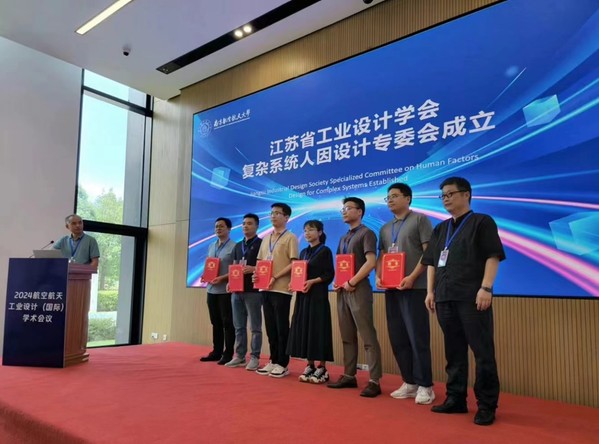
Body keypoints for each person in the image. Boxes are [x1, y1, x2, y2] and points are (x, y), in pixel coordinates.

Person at [422, 177, 505, 426]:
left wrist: (486, 287)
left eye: (450, 194)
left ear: (466, 194)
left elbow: (493, 256)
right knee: (454, 352)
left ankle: (486, 405)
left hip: (472, 297)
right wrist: (430, 292)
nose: (446, 199)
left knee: (482, 352)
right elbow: (432, 262)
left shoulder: (482, 222)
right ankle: (456, 399)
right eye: (443, 195)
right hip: (444, 297)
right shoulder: (441, 228)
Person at [375, 183, 435, 404]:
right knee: (398, 336)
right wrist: (379, 276)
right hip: (392, 289)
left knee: (417, 337)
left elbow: (429, 254)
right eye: (388, 197)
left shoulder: (420, 220)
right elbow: (382, 256)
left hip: (415, 288)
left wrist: (412, 277)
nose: (390, 200)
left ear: (408, 198)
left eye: (395, 196)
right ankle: (409, 382)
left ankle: (426, 385)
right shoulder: (385, 228)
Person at [327, 197, 383, 397]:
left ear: (359, 212)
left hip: (359, 289)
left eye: (348, 208)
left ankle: (374, 381)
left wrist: (352, 281)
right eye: (342, 208)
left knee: (367, 336)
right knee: (347, 335)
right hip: (343, 290)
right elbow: (342, 263)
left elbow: (371, 262)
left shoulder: (367, 233)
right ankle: (349, 375)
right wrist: (339, 281)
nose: (344, 211)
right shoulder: (343, 237)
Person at [287, 220, 335, 384]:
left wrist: (313, 281)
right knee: (305, 328)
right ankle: (310, 365)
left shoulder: (325, 251)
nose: (307, 233)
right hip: (303, 296)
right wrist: (293, 282)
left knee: (318, 329)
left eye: (311, 230)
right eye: (305, 230)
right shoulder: (303, 252)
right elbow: (298, 272)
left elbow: (329, 274)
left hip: (318, 297)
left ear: (320, 232)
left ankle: (322, 367)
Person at [254, 203, 298, 378]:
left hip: (281, 289)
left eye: (277, 213)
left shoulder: (291, 238)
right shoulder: (266, 238)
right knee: (270, 327)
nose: (273, 216)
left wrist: (275, 276)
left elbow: (294, 263)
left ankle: (282, 363)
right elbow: (260, 262)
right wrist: (257, 275)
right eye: (271, 213)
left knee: (281, 327)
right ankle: (273, 360)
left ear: (286, 217)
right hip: (265, 288)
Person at [225, 213, 263, 371]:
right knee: (239, 326)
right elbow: (234, 267)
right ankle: (240, 356)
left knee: (255, 327)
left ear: (257, 226)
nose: (245, 226)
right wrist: (230, 281)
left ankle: (255, 357)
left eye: (249, 223)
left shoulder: (262, 243)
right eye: (243, 224)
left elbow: (267, 265)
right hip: (236, 290)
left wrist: (254, 268)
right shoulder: (237, 246)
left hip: (253, 290)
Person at [199, 217, 236, 365]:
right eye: (216, 227)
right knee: (215, 322)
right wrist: (205, 276)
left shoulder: (234, 246)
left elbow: (236, 270)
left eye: (221, 226)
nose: (218, 229)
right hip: (211, 290)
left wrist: (222, 278)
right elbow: (209, 266)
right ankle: (216, 351)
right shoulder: (211, 246)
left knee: (228, 323)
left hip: (225, 291)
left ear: (229, 229)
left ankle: (228, 353)